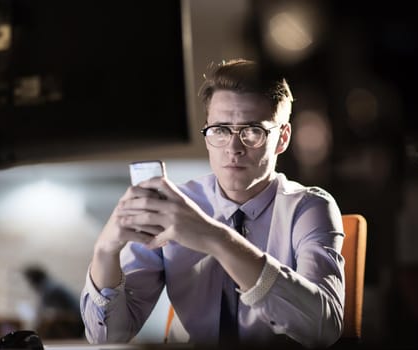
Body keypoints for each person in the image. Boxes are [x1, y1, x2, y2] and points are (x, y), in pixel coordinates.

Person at [80, 59, 345, 348]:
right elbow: (108, 336)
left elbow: (324, 328)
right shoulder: (174, 208)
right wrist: (105, 250)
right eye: (220, 129)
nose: (234, 148)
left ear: (282, 138)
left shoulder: (308, 207)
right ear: (207, 135)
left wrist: (215, 237)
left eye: (253, 130)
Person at [23, 265, 84, 339]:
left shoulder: (49, 288)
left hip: (77, 322)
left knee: (47, 325)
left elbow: (42, 311)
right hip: (78, 319)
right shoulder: (51, 285)